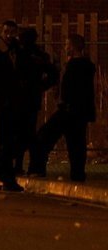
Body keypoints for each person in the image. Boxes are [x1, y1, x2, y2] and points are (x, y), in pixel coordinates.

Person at [28, 34, 96, 182]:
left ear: (72, 46)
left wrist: (63, 102)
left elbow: (71, 89)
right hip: (79, 111)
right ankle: (77, 175)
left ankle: (37, 169)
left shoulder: (74, 66)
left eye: (67, 45)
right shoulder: (85, 66)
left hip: (69, 110)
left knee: (44, 136)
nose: (65, 48)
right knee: (76, 144)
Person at [0, 20, 25, 191]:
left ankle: (0, 166)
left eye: (12, 32)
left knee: (14, 138)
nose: (9, 35)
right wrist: (6, 89)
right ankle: (6, 175)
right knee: (6, 138)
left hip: (15, 99)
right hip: (4, 100)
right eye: (6, 32)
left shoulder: (16, 49)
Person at [14, 27, 58, 173]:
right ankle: (31, 165)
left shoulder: (22, 54)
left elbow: (52, 74)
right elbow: (53, 74)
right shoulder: (38, 55)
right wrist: (41, 86)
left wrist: (40, 86)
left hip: (22, 97)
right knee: (28, 132)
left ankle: (21, 165)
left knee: (21, 133)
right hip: (30, 98)